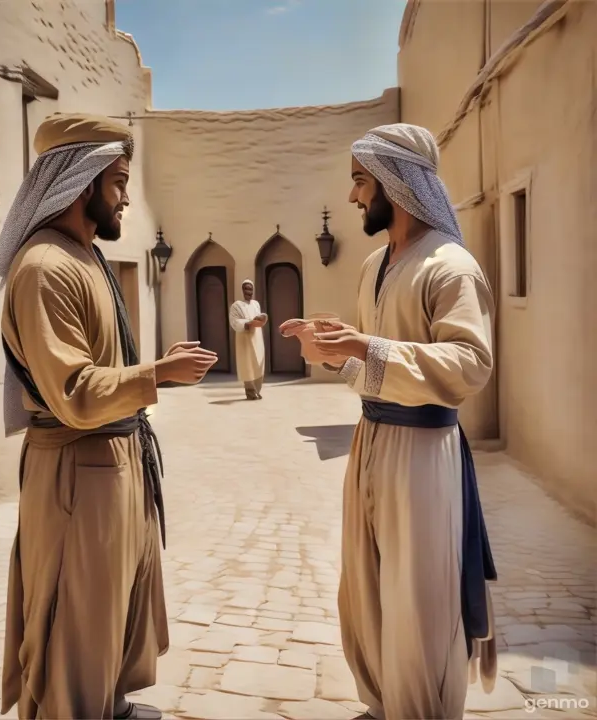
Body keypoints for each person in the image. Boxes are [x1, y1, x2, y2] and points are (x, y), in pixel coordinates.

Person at [0, 113, 217, 720]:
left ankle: (107, 705)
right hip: (74, 469)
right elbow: (74, 391)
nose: (124, 198)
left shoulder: (83, 257)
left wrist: (153, 375)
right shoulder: (45, 268)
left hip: (113, 463)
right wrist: (157, 375)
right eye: (117, 182)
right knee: (76, 616)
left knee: (112, 604)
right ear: (81, 182)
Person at [309, 123, 498, 719]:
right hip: (370, 439)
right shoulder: (375, 265)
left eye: (361, 181)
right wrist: (336, 352)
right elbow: (370, 360)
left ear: (396, 182)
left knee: (418, 598)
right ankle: (383, 702)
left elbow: (471, 365)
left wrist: (365, 348)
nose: (352, 197)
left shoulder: (450, 266)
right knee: (365, 585)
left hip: (422, 450)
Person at [229, 279, 267, 400]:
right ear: (242, 290)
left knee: (258, 363)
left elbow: (259, 318)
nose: (248, 291)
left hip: (257, 337)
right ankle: (250, 392)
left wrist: (261, 318)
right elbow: (234, 322)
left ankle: (257, 390)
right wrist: (248, 323)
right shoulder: (236, 305)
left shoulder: (256, 304)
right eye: (246, 289)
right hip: (244, 339)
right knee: (247, 365)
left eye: (250, 289)